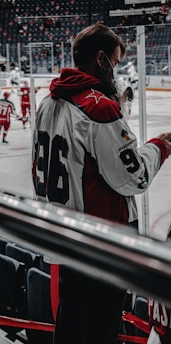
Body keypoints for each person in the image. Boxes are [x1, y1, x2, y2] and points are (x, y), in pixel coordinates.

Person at [31, 23, 171, 344]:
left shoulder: (47, 103)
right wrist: (159, 146)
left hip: (63, 236)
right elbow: (133, 178)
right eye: (117, 62)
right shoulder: (99, 107)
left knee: (70, 323)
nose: (118, 70)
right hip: (101, 242)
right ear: (101, 59)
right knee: (100, 331)